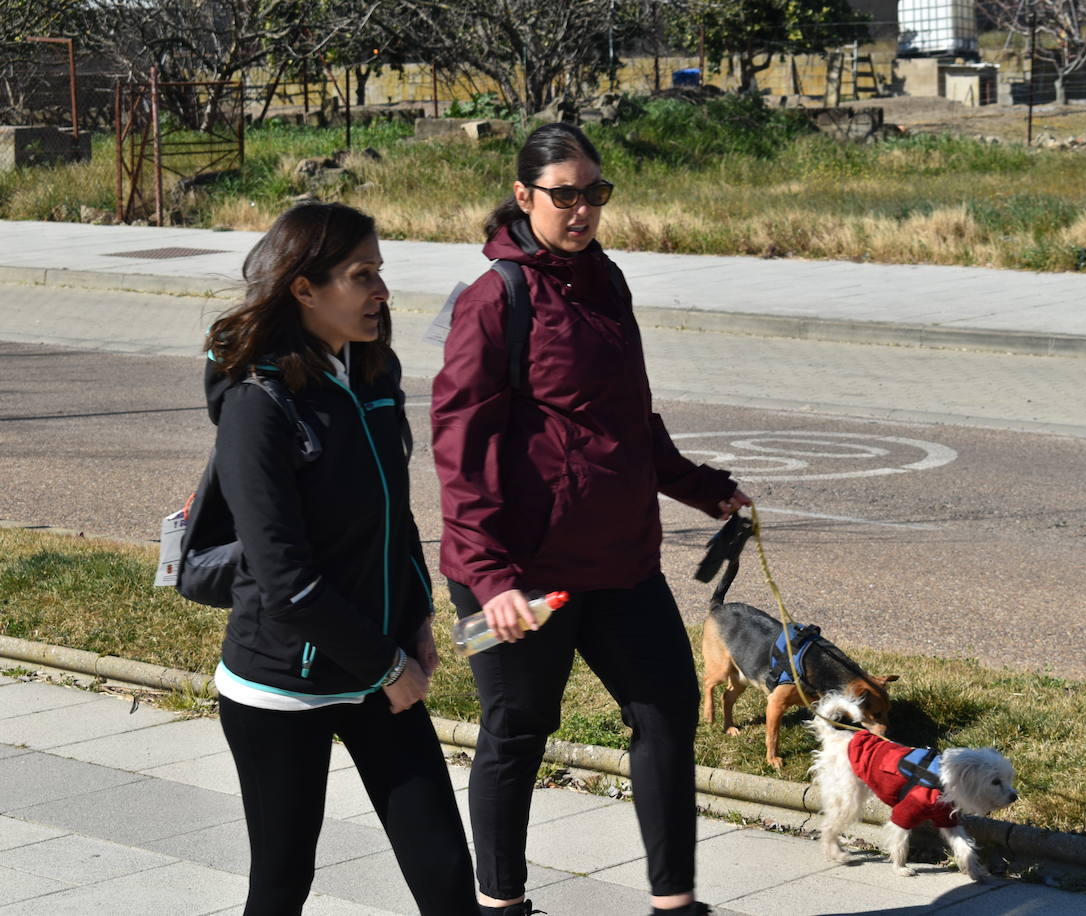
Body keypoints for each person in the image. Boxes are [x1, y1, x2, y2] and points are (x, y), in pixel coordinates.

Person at [431, 123, 751, 916]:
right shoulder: (493, 299)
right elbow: (458, 448)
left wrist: (699, 486)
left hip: (620, 563)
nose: (581, 210)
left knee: (668, 713)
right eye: (564, 195)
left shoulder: (606, 280)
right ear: (523, 196)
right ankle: (501, 905)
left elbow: (629, 417)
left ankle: (675, 903)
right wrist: (491, 576)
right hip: (517, 578)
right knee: (516, 730)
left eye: (594, 194)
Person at [204, 202, 479, 915]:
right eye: (363, 276)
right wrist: (388, 667)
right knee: (282, 885)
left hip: (378, 667)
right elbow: (283, 577)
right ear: (304, 288)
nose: (382, 291)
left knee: (448, 878)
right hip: (281, 685)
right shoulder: (257, 404)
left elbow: (395, 521)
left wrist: (415, 617)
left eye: (380, 272)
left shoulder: (372, 380)